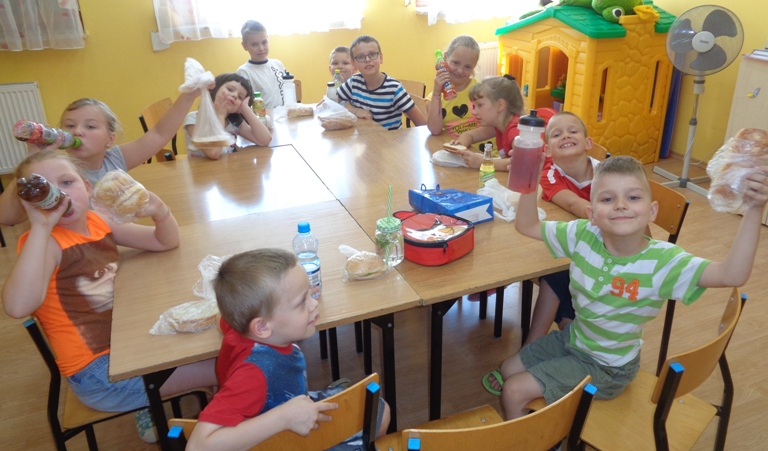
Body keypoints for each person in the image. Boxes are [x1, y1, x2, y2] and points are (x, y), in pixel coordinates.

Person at [484, 155, 768, 420]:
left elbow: (732, 274)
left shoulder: (663, 262)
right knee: (508, 369)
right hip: (575, 339)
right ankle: (551, 419)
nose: (620, 205)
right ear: (592, 213)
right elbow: (527, 225)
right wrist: (530, 179)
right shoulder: (584, 234)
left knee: (513, 391)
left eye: (633, 197)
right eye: (608, 198)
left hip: (608, 367)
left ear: (652, 210)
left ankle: (541, 439)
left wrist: (755, 208)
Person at [1, 152, 217, 443]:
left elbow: (164, 241)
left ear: (87, 188)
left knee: (212, 339)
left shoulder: (97, 221)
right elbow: (17, 307)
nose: (59, 195)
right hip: (102, 375)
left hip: (126, 344)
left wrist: (159, 209)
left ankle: (210, 400)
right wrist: (40, 226)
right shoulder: (46, 243)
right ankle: (215, 421)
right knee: (229, 361)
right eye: (46, 189)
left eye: (67, 182)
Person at [186, 249, 390, 450]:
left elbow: (221, 319)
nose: (314, 303)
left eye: (310, 292)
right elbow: (197, 447)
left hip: (287, 408)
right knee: (379, 414)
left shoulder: (242, 327)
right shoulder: (253, 375)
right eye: (301, 302)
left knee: (378, 409)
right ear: (262, 327)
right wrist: (283, 418)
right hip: (282, 436)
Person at [0, 92, 204, 227]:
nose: (77, 131)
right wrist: (33, 160)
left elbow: (159, 134)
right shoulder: (55, 171)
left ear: (110, 139)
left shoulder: (114, 159)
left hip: (116, 244)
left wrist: (188, 97)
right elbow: (6, 217)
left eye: (90, 126)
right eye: (69, 126)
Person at [523, 111, 599, 346]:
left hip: (617, 250)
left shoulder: (608, 173)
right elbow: (573, 204)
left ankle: (535, 344)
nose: (566, 135)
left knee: (557, 271)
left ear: (588, 143)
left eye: (573, 131)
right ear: (548, 150)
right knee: (556, 268)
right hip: (589, 241)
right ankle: (564, 333)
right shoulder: (550, 175)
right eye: (557, 134)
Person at [336, 35, 427, 130]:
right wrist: (354, 110)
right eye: (360, 57)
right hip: (364, 137)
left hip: (389, 139)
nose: (367, 60)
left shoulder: (394, 89)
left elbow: (422, 126)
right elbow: (328, 104)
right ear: (353, 64)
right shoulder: (353, 83)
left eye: (372, 54)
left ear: (381, 58)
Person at [426, 35, 496, 151]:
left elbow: (495, 127)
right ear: (445, 58)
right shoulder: (433, 99)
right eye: (456, 63)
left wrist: (468, 137)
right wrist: (436, 94)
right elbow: (435, 130)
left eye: (467, 67)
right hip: (457, 153)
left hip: (487, 154)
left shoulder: (482, 91)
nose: (460, 71)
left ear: (474, 67)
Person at [445, 75, 526, 171]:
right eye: (474, 106)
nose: (474, 112)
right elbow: (470, 135)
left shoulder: (515, 130)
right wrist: (459, 146)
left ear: (500, 105)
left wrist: (483, 162)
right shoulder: (499, 126)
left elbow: (521, 163)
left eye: (480, 105)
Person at [183, 73, 272, 159]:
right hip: (202, 169)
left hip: (227, 168)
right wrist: (220, 115)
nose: (234, 95)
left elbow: (265, 140)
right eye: (230, 89)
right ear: (214, 89)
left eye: (240, 97)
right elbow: (213, 153)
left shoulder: (233, 122)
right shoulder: (194, 119)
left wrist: (245, 108)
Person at [236, 20, 286, 110]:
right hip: (261, 117)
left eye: (264, 42)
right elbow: (245, 105)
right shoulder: (244, 72)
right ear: (245, 46)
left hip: (284, 115)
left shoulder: (278, 64)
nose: (261, 48)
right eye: (254, 44)